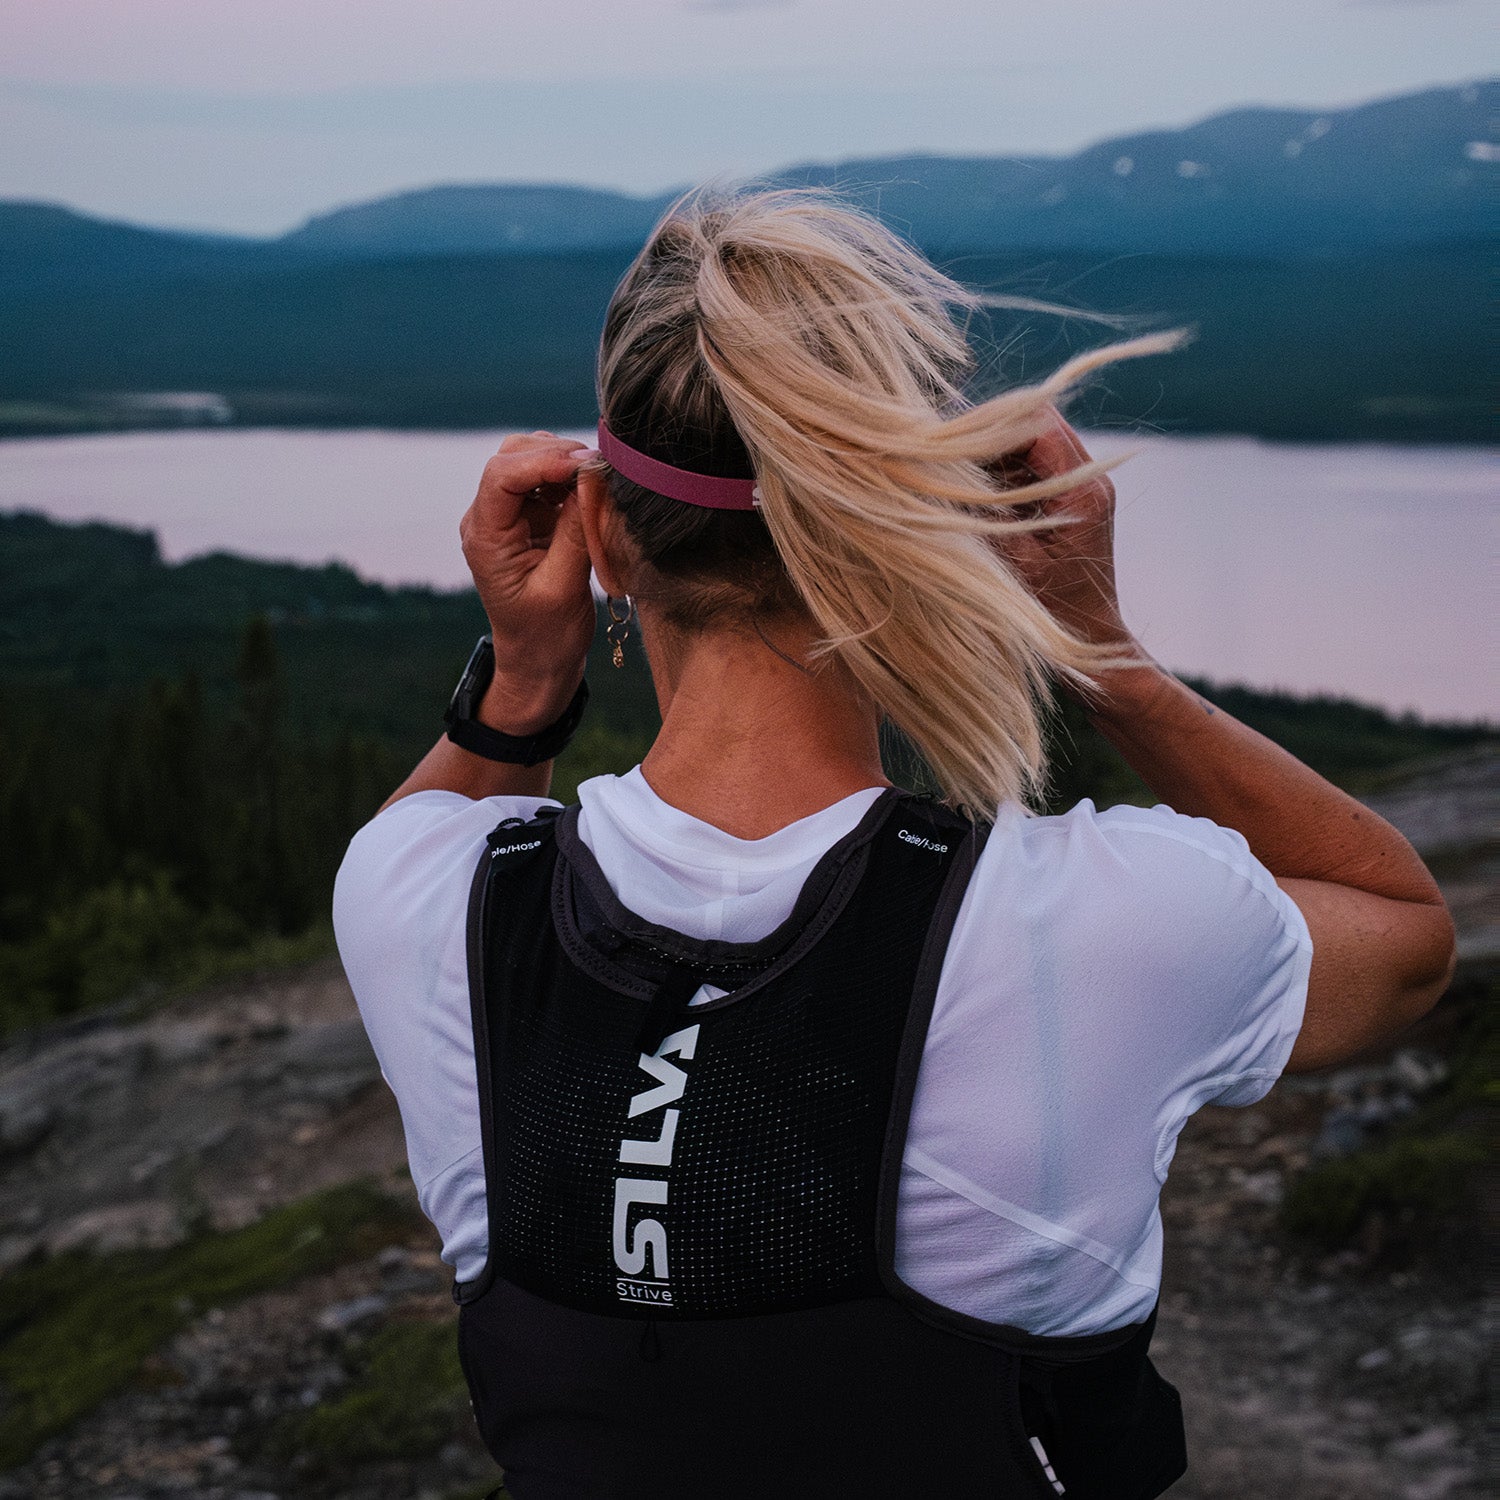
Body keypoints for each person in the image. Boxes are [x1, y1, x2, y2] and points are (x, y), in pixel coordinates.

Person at [333, 190, 1456, 1500]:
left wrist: (525, 681)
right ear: (905, 544)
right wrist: (1100, 653)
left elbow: (440, 823)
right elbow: (1404, 940)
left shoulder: (426, 907)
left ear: (607, 538)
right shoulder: (1099, 924)